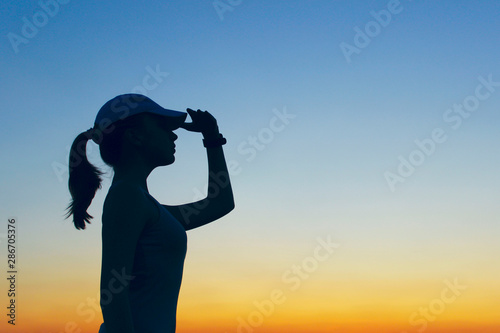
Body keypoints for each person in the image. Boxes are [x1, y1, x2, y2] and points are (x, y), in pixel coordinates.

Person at [65, 94, 235, 333]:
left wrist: (212, 138)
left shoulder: (145, 206)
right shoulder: (127, 197)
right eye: (162, 126)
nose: (173, 134)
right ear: (134, 136)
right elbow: (112, 294)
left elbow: (220, 203)